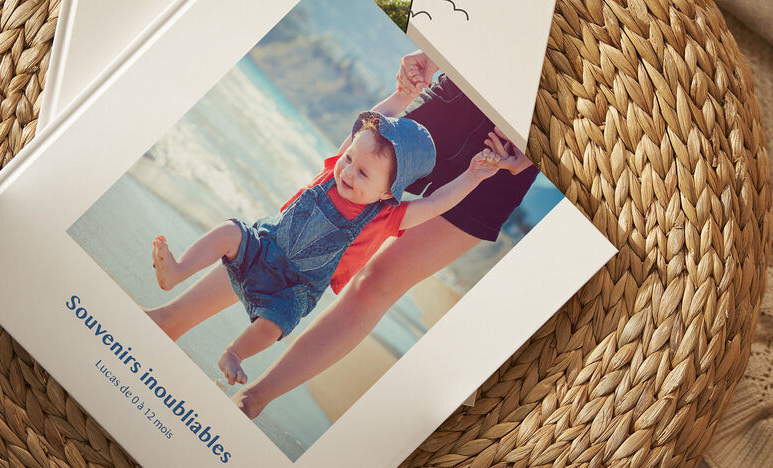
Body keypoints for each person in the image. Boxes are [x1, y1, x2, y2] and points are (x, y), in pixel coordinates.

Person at [229, 51, 539, 418]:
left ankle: (254, 399)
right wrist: (433, 48)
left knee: (377, 282)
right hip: (457, 102)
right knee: (300, 227)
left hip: (507, 156)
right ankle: (169, 321)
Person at [146, 88, 506, 386]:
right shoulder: (332, 175)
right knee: (229, 231)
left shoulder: (387, 216)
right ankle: (177, 271)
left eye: (363, 173)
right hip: (262, 248)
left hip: (293, 289)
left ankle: (234, 353)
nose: (348, 170)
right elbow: (366, 124)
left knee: (273, 325)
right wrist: (403, 94)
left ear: (388, 192)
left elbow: (437, 202)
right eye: (348, 159)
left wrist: (474, 175)